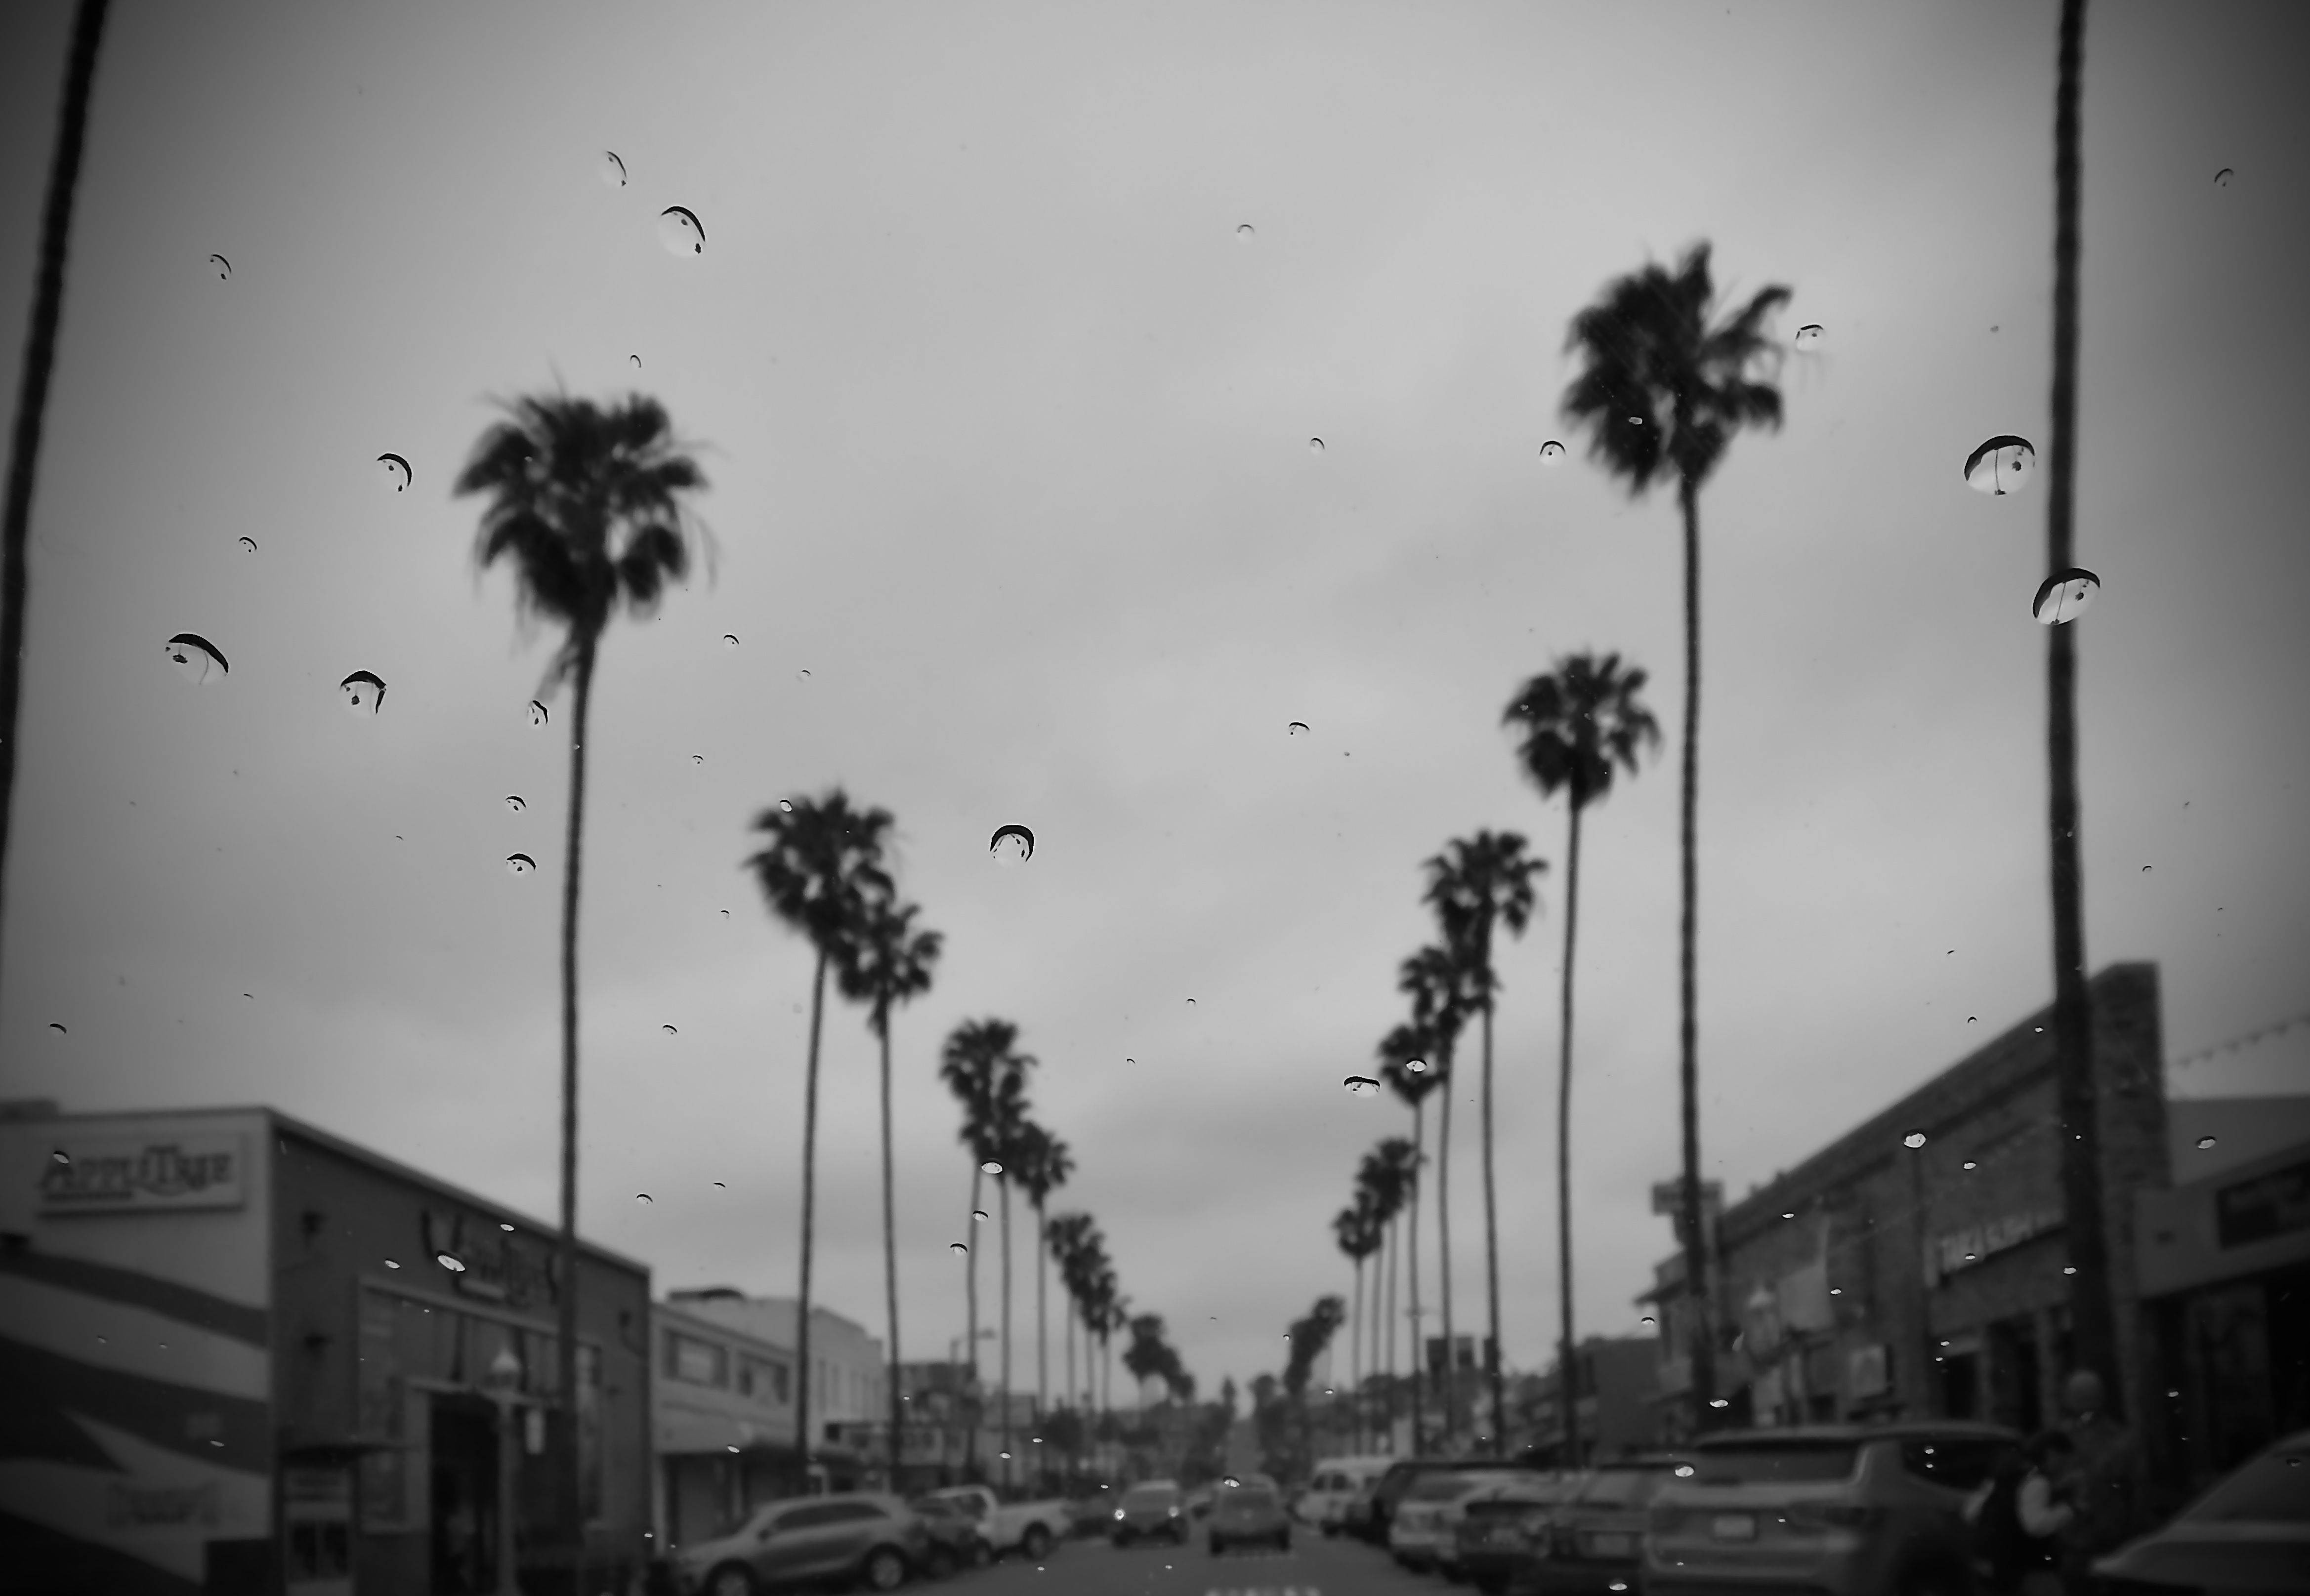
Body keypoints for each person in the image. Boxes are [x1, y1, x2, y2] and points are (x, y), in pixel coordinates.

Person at [2056, 1369, 2139, 1591]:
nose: (2086, 1403)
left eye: (2089, 1396)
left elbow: (2131, 1486)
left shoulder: (2118, 1438)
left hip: (2108, 1535)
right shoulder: (2061, 1437)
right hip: (2077, 1537)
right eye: (2080, 1396)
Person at [1968, 1431, 2075, 1595]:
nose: (2066, 1467)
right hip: (2025, 1567)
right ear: (2052, 1455)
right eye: (2064, 1460)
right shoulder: (2038, 1482)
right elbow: (2036, 1525)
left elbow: (1970, 1512)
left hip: (1991, 1562)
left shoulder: (2006, 1478)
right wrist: (2070, 1510)